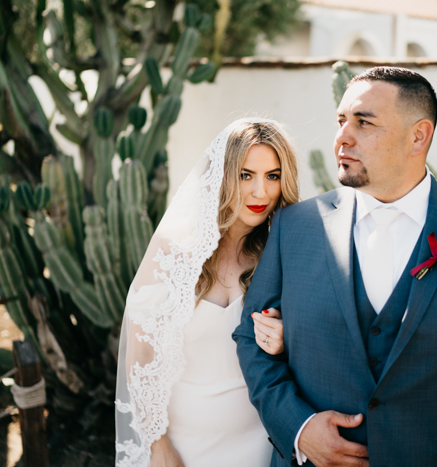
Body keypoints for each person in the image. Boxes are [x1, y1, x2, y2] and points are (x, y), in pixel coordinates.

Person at [234, 67, 437, 466]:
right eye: (341, 121)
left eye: (363, 122)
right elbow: (251, 338)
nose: (342, 137)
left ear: (418, 136)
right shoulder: (294, 227)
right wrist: (298, 428)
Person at [115, 118, 300, 467]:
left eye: (272, 176)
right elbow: (140, 358)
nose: (261, 192)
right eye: (246, 175)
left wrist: (286, 342)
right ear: (223, 176)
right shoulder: (174, 251)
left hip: (261, 444)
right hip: (184, 447)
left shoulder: (284, 252)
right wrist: (158, 444)